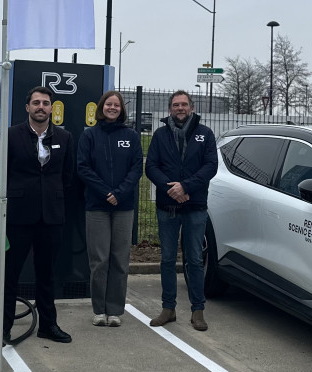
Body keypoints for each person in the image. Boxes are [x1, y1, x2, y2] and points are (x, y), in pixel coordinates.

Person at [0, 85, 75, 344]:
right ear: (27, 107)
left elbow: (68, 176)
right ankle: (3, 329)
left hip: (51, 218)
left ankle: (48, 325)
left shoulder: (65, 137)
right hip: (18, 217)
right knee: (10, 275)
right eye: (36, 102)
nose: (41, 107)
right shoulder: (10, 136)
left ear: (52, 108)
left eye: (46, 103)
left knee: (46, 274)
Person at [144, 90, 218, 331]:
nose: (180, 108)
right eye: (175, 105)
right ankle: (168, 309)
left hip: (195, 206)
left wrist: (186, 186)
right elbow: (151, 166)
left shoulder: (205, 134)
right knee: (166, 259)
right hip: (167, 207)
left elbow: (210, 167)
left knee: (195, 260)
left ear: (192, 108)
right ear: (169, 109)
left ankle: (198, 310)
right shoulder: (160, 134)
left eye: (184, 104)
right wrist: (171, 189)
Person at [76, 90, 143, 327]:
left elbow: (137, 168)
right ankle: (99, 310)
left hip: (123, 207)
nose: (112, 108)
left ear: (121, 109)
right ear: (101, 107)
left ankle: (115, 310)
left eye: (116, 105)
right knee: (99, 260)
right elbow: (83, 168)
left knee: (119, 259)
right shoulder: (89, 136)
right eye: (108, 104)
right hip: (97, 207)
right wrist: (106, 192)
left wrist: (120, 193)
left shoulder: (131, 136)